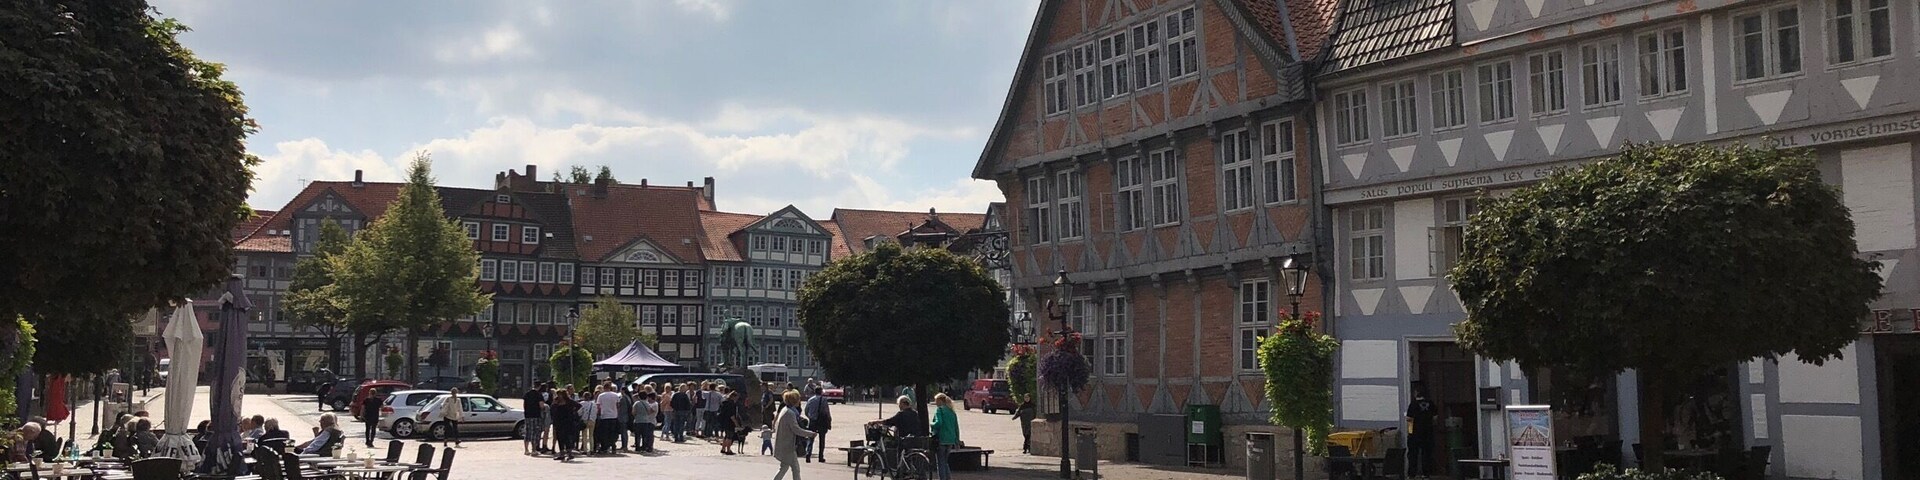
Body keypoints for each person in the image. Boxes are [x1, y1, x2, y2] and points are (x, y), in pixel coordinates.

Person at [772, 390, 817, 480]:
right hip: (787, 445)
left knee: (794, 468)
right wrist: (810, 434)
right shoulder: (790, 413)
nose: (799, 401)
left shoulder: (786, 410)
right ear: (794, 401)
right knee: (786, 468)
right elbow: (796, 430)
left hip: (787, 445)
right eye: (798, 399)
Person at [1405, 386, 1438, 478]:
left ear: (1416, 393)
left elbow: (1409, 419)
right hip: (1428, 433)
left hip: (1415, 433)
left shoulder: (1413, 404)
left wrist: (1410, 432)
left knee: (1413, 454)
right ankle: (1426, 474)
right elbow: (1435, 418)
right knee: (1426, 454)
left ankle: (1412, 474)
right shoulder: (1431, 404)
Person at [930, 393, 960, 480]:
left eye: (936, 401)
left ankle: (942, 478)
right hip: (950, 440)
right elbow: (956, 427)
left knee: (940, 462)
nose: (935, 403)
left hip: (941, 439)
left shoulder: (940, 410)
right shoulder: (952, 411)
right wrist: (957, 440)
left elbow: (938, 423)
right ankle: (948, 478)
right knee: (945, 462)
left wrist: (932, 424)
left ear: (940, 401)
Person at [802, 386, 832, 462]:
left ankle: (808, 454)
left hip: (813, 421)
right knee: (822, 439)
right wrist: (829, 419)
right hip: (821, 421)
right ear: (821, 392)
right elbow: (826, 411)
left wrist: (810, 417)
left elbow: (806, 411)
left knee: (810, 438)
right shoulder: (824, 400)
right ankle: (820, 456)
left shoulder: (810, 400)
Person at [550, 389, 581, 461]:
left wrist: (573, 412)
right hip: (558, 422)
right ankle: (562, 454)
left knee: (567, 438)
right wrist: (554, 404)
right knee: (560, 438)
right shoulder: (556, 402)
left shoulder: (569, 401)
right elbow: (552, 410)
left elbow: (579, 405)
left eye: (560, 394)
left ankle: (569, 453)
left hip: (568, 422)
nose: (559, 396)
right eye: (558, 394)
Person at [594, 382, 623, 454]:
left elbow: (598, 406)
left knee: (604, 433)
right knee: (613, 432)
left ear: (604, 387)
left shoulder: (601, 396)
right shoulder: (615, 395)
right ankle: (613, 446)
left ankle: (604, 447)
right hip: (613, 416)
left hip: (604, 416)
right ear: (610, 387)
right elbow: (618, 405)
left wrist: (599, 413)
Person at [523, 382, 547, 455]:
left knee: (527, 431)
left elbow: (524, 405)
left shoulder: (527, 394)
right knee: (535, 432)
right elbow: (541, 406)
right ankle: (534, 450)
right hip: (536, 415)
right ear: (539, 386)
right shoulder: (539, 395)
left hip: (527, 416)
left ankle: (526, 450)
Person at [717, 390, 742, 455]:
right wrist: (736, 423)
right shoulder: (731, 404)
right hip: (730, 421)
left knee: (726, 436)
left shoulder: (725, 402)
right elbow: (732, 415)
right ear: (733, 397)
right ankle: (728, 450)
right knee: (730, 436)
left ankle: (723, 449)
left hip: (724, 420)